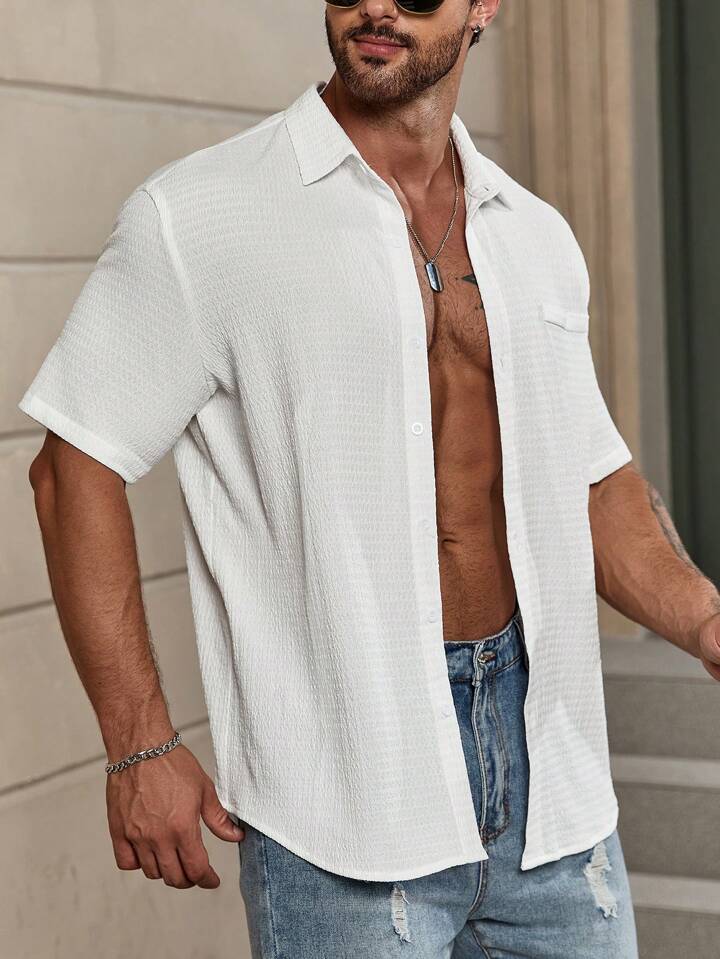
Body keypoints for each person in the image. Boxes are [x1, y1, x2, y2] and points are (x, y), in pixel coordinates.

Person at [19, 1, 720, 956]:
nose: (379, 5)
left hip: (553, 788)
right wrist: (138, 743)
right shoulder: (201, 214)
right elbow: (73, 468)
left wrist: (704, 618)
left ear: (484, 7)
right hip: (344, 801)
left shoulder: (537, 237)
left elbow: (591, 481)